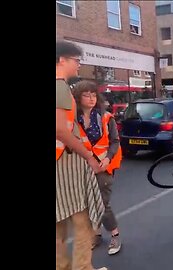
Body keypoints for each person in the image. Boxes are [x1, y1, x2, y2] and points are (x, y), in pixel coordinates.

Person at [56, 41, 108, 270]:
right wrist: (88, 156)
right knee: (83, 222)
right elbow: (60, 129)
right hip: (66, 166)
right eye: (76, 60)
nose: (79, 65)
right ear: (62, 60)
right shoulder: (59, 87)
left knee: (58, 224)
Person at [73, 80, 123, 256]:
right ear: (78, 98)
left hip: (104, 166)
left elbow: (115, 142)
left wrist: (108, 158)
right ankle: (96, 234)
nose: (91, 98)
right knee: (88, 203)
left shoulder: (106, 117)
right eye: (86, 95)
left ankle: (115, 235)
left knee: (102, 204)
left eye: (94, 94)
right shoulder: (73, 118)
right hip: (83, 167)